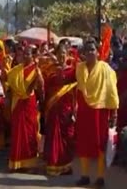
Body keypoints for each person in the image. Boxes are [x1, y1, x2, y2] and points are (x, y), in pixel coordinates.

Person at [75, 41, 119, 188]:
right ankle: (85, 175)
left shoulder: (106, 69)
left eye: (92, 50)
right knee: (83, 144)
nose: (90, 53)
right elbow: (78, 91)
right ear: (83, 53)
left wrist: (114, 113)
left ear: (98, 52)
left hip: (100, 113)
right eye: (87, 50)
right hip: (83, 112)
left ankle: (100, 177)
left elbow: (112, 92)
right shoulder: (80, 69)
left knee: (100, 144)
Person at [7, 46, 44, 172]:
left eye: (28, 54)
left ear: (32, 56)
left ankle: (29, 164)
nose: (26, 57)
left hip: (29, 103)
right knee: (18, 132)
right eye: (24, 54)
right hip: (17, 103)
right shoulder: (16, 70)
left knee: (29, 132)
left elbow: (41, 88)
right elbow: (9, 82)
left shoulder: (36, 69)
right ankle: (16, 163)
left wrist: (38, 80)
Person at [43, 44, 76, 176]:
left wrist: (74, 110)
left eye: (64, 53)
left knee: (67, 137)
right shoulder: (50, 71)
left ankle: (66, 166)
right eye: (59, 53)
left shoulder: (73, 71)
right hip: (53, 109)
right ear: (55, 55)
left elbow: (75, 93)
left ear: (67, 54)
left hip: (67, 110)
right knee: (53, 137)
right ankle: (53, 165)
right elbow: (46, 91)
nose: (61, 56)